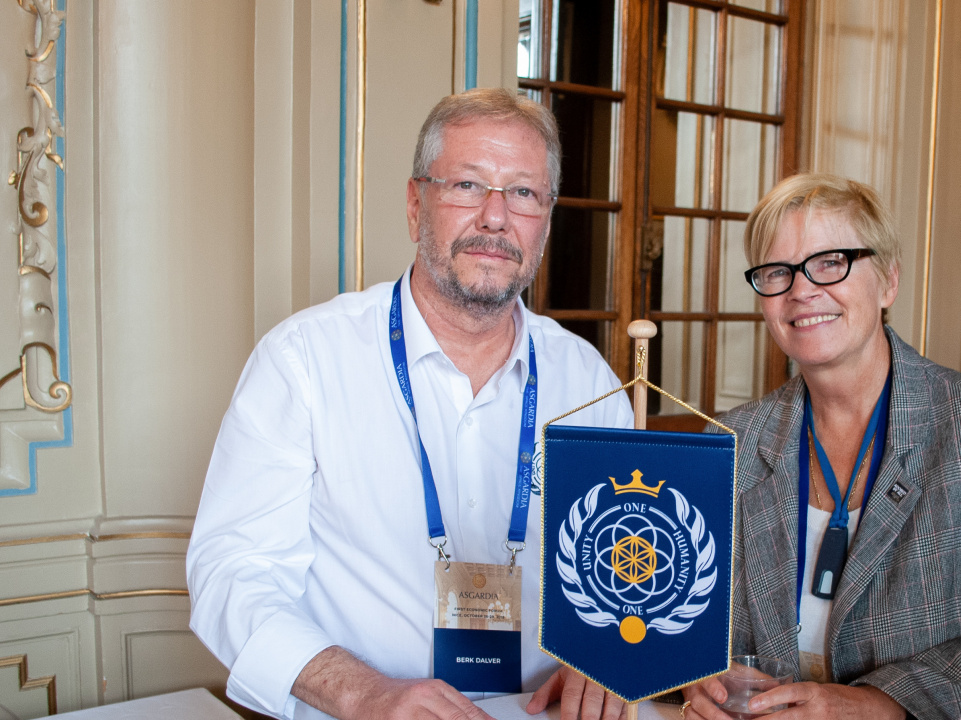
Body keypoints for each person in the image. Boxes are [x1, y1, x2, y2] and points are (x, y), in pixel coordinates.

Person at [187, 88, 634, 720]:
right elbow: (232, 574)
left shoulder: (589, 382)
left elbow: (625, 579)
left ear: (547, 221)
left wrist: (605, 656)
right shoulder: (304, 361)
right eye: (468, 185)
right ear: (414, 204)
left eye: (524, 194)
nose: (495, 217)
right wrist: (363, 693)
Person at [682, 174, 961, 720]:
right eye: (776, 272)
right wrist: (699, 680)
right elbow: (692, 625)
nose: (802, 290)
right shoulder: (729, 442)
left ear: (888, 282)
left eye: (831, 261)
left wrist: (876, 704)